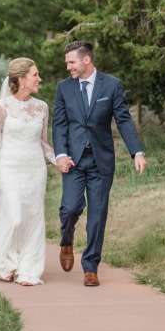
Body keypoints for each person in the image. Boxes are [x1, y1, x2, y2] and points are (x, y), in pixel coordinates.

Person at [52, 41, 146, 286]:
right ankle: (66, 240)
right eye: (67, 63)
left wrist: (136, 151)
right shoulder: (64, 88)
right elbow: (60, 124)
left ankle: (90, 266)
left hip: (101, 161)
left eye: (71, 62)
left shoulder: (112, 85)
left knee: (97, 214)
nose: (68, 67)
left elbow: (123, 120)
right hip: (73, 160)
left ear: (86, 60)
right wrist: (60, 154)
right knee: (70, 208)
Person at [0, 58, 58, 286]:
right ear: (21, 80)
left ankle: (28, 268)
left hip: (35, 169)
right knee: (15, 216)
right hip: (9, 168)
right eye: (35, 75)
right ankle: (6, 263)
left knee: (33, 218)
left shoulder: (42, 107)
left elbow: (43, 143)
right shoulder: (2, 107)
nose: (39, 79)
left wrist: (58, 160)